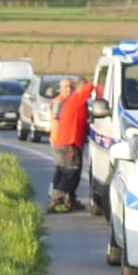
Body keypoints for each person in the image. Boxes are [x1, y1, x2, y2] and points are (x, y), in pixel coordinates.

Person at [49, 75, 96, 213]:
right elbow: (88, 87)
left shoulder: (71, 101)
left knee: (63, 171)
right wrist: (97, 86)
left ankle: (70, 200)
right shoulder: (76, 98)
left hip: (64, 141)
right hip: (68, 142)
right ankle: (57, 201)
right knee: (70, 172)